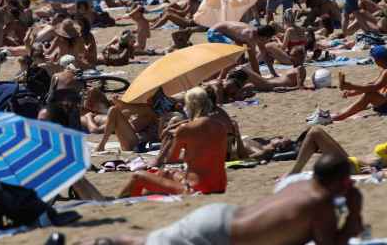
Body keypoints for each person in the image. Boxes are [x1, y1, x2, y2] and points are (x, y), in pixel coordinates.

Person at [129, 155, 362, 245]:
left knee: (145, 241)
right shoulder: (320, 202)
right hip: (218, 235)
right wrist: (354, 210)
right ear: (341, 181)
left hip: (221, 217)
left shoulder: (300, 184)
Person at [118, 87, 228, 197]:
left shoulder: (186, 129)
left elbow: (171, 159)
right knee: (166, 173)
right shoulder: (221, 126)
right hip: (219, 187)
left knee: (138, 176)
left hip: (195, 188)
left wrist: (172, 138)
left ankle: (119, 201)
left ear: (190, 105)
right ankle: (139, 195)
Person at [288, 126, 387, 176]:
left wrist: (380, 172)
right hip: (350, 162)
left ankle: (293, 172)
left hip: (351, 167)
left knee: (315, 132)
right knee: (313, 131)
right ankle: (297, 151)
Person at [331, 45, 387, 121]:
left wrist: (352, 86)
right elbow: (372, 84)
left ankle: (340, 116)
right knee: (370, 88)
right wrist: (353, 92)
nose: (374, 61)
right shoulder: (384, 70)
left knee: (370, 95)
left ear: (379, 59)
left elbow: (374, 87)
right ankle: (340, 114)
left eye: (375, 59)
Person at [208, 21, 277, 75]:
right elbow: (252, 59)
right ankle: (221, 77)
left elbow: (264, 53)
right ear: (265, 37)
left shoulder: (259, 34)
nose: (270, 40)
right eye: (270, 38)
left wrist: (273, 73)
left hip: (227, 33)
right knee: (235, 57)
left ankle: (223, 74)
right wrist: (259, 75)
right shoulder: (250, 36)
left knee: (239, 59)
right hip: (214, 32)